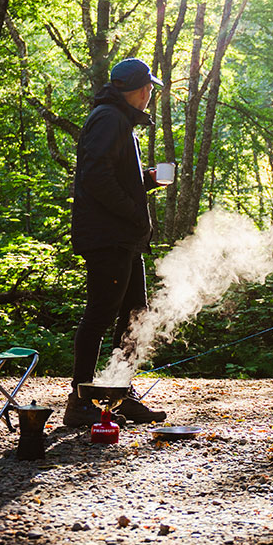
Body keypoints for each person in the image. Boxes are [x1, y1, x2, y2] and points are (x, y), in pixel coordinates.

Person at [64, 57, 170, 427]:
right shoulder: (109, 118)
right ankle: (79, 402)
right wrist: (135, 213)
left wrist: (146, 178)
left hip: (123, 238)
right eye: (150, 89)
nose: (151, 96)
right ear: (141, 90)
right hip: (109, 237)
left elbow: (113, 173)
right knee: (100, 314)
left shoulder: (118, 121)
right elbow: (95, 176)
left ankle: (117, 395)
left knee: (133, 315)